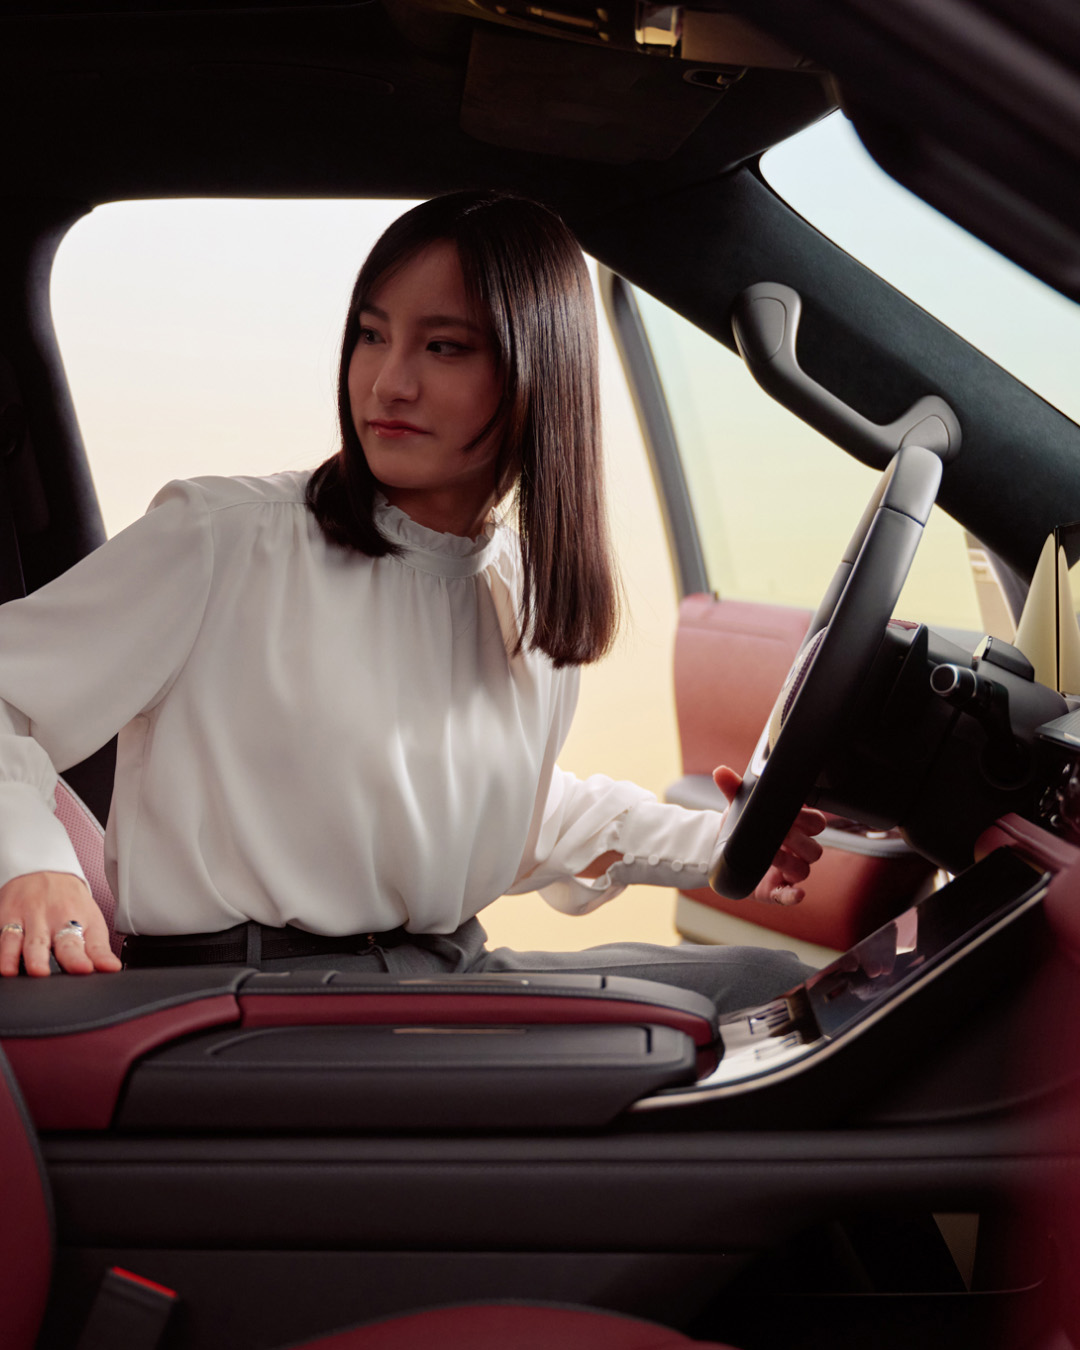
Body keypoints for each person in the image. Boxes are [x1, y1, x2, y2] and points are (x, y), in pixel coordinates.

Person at [0, 191, 824, 1009]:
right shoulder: (224, 537)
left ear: (537, 371)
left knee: (775, 991)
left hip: (435, 984)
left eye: (443, 347)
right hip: (246, 1007)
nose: (388, 383)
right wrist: (33, 861)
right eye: (371, 335)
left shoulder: (516, 588)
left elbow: (495, 815)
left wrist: (718, 839)